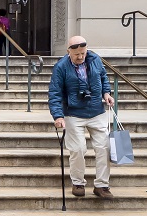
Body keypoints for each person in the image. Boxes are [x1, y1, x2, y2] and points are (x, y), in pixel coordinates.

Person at [49, 36, 115, 199]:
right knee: (78, 149)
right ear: (68, 51)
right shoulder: (61, 67)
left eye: (83, 53)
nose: (80, 57)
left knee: (104, 148)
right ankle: (78, 182)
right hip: (73, 113)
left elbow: (103, 78)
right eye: (76, 54)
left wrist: (106, 93)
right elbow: (55, 92)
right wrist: (58, 115)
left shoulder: (95, 60)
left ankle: (101, 185)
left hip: (96, 111)